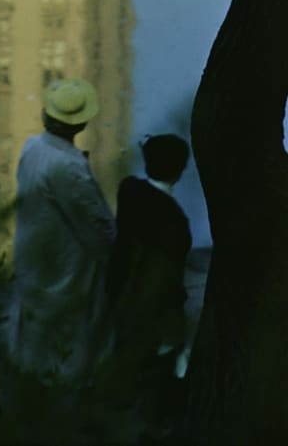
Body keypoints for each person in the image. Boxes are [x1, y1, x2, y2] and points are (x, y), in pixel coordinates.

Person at [9, 77, 115, 416]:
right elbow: (98, 227)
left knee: (35, 329)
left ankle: (33, 393)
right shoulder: (69, 167)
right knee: (72, 335)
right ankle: (67, 407)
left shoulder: (32, 148)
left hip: (33, 254)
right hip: (64, 264)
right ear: (81, 122)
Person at [105, 133, 192, 435]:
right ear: (181, 170)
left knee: (124, 376)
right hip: (152, 313)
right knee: (154, 386)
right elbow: (163, 277)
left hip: (123, 300)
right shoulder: (174, 220)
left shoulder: (129, 190)